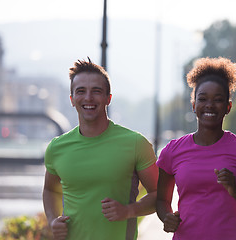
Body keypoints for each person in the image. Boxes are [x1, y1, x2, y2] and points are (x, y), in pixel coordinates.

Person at [42, 58, 158, 240]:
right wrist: (52, 221)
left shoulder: (136, 143)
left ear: (108, 98)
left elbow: (159, 195)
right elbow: (50, 190)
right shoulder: (57, 147)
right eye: (81, 91)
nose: (88, 98)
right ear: (72, 99)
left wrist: (128, 211)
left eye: (96, 91)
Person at [156, 57, 236, 240]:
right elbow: (162, 201)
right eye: (202, 98)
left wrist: (235, 191)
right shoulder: (172, 151)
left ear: (228, 107)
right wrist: (166, 218)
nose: (209, 105)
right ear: (194, 105)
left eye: (218, 99)